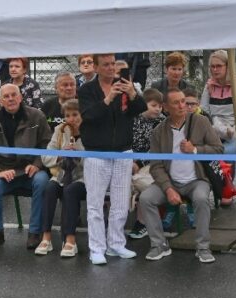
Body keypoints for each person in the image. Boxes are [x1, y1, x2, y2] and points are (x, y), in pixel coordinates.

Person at [138, 89, 223, 264]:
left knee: (201, 199)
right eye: (176, 103)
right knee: (146, 198)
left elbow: (218, 149)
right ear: (165, 107)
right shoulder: (159, 131)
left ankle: (203, 247)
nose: (182, 105)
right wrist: (168, 188)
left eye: (183, 101)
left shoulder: (201, 122)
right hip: (170, 181)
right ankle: (159, 244)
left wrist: (195, 150)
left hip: (197, 179)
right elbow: (156, 165)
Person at [77, 53, 146, 265]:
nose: (110, 68)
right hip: (97, 153)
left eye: (112, 65)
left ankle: (116, 243)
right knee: (96, 203)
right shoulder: (87, 90)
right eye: (105, 65)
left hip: (123, 151)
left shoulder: (124, 85)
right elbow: (89, 116)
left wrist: (133, 94)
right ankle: (96, 248)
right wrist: (108, 99)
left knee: (120, 201)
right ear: (96, 67)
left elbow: (140, 110)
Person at [0, 84, 52, 249]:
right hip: (4, 172)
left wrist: (37, 164)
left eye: (14, 95)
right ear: (0, 101)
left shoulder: (37, 116)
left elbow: (47, 146)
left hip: (30, 170)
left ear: (20, 97)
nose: (11, 99)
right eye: (6, 96)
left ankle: (35, 232)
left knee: (43, 181)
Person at [37, 100, 86, 257]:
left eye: (75, 115)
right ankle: (46, 237)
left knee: (70, 191)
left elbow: (93, 162)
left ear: (82, 115)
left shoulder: (90, 132)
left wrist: (76, 153)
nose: (71, 119)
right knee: (50, 188)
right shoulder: (60, 130)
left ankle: (70, 239)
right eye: (67, 115)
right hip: (62, 175)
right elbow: (46, 157)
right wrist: (60, 155)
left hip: (83, 178)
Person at [201, 49, 236, 150]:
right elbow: (204, 111)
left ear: (228, 66)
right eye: (212, 66)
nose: (215, 69)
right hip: (216, 130)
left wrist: (234, 130)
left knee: (225, 154)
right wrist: (217, 128)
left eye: (219, 66)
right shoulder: (209, 86)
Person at [128, 88, 166, 239]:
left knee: (143, 184)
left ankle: (142, 222)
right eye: (153, 105)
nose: (158, 109)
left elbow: (158, 149)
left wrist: (139, 162)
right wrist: (130, 160)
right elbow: (126, 143)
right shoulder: (133, 119)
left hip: (152, 163)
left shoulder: (161, 123)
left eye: (160, 106)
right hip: (129, 160)